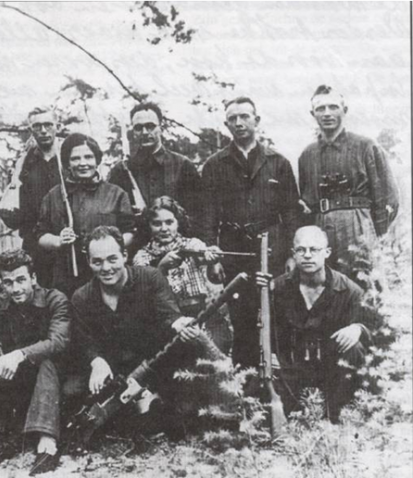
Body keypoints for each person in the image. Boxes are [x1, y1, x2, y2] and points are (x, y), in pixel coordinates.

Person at [68, 226, 222, 437]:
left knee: (193, 345)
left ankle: (229, 398)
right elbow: (83, 339)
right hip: (115, 373)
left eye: (112, 259)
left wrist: (178, 323)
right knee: (71, 392)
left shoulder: (149, 277)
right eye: (97, 261)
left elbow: (169, 313)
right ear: (89, 262)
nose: (106, 268)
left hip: (154, 364)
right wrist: (96, 361)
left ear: (125, 256)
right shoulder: (81, 297)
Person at [202, 96, 301, 369]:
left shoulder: (278, 162)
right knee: (242, 322)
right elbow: (208, 214)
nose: (239, 123)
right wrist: (213, 256)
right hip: (234, 254)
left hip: (273, 252)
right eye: (233, 119)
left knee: (277, 317)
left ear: (256, 120)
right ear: (226, 125)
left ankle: (282, 386)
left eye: (245, 116)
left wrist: (292, 253)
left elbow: (291, 211)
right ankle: (246, 392)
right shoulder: (214, 165)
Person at [260, 226, 378, 422]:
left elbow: (377, 328)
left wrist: (358, 328)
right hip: (293, 368)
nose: (307, 256)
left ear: (327, 253)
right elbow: (262, 332)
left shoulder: (349, 290)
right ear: (293, 254)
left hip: (331, 368)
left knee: (355, 348)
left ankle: (340, 414)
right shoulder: (277, 289)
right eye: (301, 250)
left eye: (314, 250)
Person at [0, 250, 70, 475]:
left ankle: (47, 442)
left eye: (21, 280)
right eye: (8, 282)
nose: (15, 288)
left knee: (47, 361)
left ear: (33, 278)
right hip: (23, 378)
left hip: (61, 378)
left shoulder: (55, 299)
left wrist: (18, 355)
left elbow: (58, 342)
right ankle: (5, 431)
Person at [297, 85, 399, 282]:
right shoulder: (307, 155)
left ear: (345, 110)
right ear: (313, 114)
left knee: (362, 291)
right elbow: (306, 203)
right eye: (320, 108)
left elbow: (389, 199)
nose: (327, 113)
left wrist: (373, 235)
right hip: (321, 233)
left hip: (358, 228)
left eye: (333, 107)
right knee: (325, 290)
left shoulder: (365, 147)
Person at [35, 133, 135, 297]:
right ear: (67, 162)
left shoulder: (116, 193)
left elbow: (130, 232)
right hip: (66, 278)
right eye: (75, 158)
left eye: (88, 157)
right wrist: (59, 241)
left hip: (108, 274)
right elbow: (40, 235)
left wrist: (108, 248)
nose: (83, 163)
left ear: (97, 160)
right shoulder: (54, 196)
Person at [132, 196, 230, 352]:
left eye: (169, 222)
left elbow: (216, 278)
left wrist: (212, 261)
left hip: (200, 313)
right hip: (167, 320)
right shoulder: (142, 256)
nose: (164, 229)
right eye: (157, 224)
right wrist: (161, 267)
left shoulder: (192, 244)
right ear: (148, 225)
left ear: (178, 222)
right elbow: (142, 293)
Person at [108, 102, 202, 246]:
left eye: (150, 126)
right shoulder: (120, 171)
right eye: (138, 128)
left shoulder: (183, 166)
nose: (145, 132)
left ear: (161, 129)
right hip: (136, 252)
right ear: (133, 132)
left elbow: (198, 213)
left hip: (179, 251)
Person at [9, 106, 65, 287]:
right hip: (35, 243)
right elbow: (15, 200)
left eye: (48, 125)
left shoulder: (69, 157)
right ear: (30, 130)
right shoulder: (24, 162)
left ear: (57, 126)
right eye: (37, 126)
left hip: (66, 238)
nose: (43, 130)